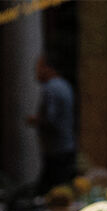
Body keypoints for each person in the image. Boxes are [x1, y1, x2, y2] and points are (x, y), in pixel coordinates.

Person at [27, 56, 76, 193]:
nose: (36, 72)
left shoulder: (50, 88)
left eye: (38, 68)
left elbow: (51, 119)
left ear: (48, 68)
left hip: (56, 148)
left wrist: (34, 120)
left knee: (50, 191)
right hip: (67, 146)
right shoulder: (65, 85)